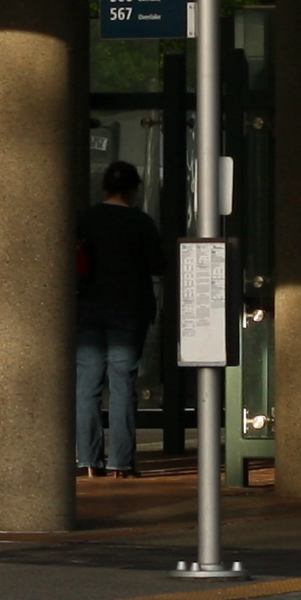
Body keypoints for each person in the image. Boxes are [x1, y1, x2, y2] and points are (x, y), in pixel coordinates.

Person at [73, 161, 172, 477]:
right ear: (133, 189)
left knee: (87, 384)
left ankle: (88, 460)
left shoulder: (86, 219)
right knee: (122, 383)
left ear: (105, 187)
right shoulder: (140, 222)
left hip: (88, 307)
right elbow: (158, 265)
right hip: (129, 310)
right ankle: (121, 461)